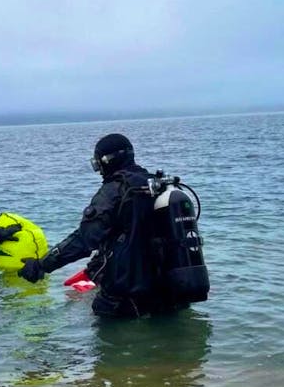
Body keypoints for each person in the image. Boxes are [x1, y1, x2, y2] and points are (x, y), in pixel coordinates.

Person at [18, 133, 200, 317]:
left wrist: (42, 265)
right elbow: (129, 237)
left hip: (128, 299)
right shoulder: (158, 186)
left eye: (97, 164)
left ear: (107, 161)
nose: (99, 171)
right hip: (170, 294)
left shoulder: (114, 191)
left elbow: (85, 239)